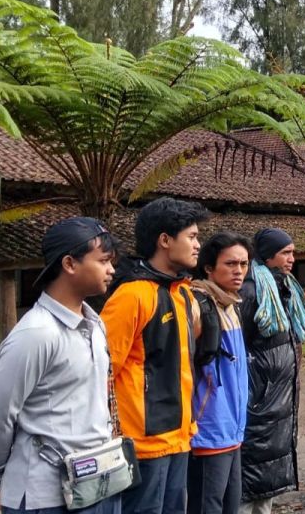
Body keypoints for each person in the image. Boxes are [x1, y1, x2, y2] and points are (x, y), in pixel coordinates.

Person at [0, 217, 118, 514]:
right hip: (45, 496)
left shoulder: (94, 324)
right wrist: (0, 477)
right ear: (69, 264)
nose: (111, 270)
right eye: (103, 260)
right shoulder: (37, 334)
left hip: (97, 484)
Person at [101, 196, 210, 514]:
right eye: (191, 237)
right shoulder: (132, 296)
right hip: (143, 445)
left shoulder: (183, 293)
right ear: (164, 240)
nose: (197, 245)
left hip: (179, 437)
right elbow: (102, 371)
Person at [238, 228, 305, 513]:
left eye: (293, 252)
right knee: (250, 476)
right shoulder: (250, 291)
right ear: (268, 255)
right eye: (286, 253)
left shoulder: (285, 287)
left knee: (268, 477)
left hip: (279, 398)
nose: (292, 259)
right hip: (258, 399)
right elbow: (238, 346)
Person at [188, 233, 251, 514]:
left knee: (230, 503)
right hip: (208, 427)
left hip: (232, 427)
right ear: (209, 268)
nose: (238, 271)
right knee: (207, 505)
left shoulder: (230, 305)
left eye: (244, 264)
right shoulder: (198, 304)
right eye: (230, 264)